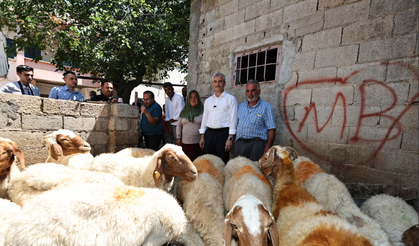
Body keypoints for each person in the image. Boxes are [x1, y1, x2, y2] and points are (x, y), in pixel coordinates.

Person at [199, 72, 238, 164]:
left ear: (224, 83)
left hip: (223, 135)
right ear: (212, 84)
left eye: (220, 81)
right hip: (209, 134)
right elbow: (205, 118)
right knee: (209, 161)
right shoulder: (208, 101)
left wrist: (230, 138)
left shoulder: (231, 99)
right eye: (215, 81)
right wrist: (202, 136)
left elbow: (234, 119)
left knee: (222, 161)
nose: (218, 84)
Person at [234, 80, 276, 161]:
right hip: (240, 145)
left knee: (255, 170)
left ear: (259, 91)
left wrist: (268, 146)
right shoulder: (240, 107)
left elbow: (271, 129)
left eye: (253, 90)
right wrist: (233, 143)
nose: (250, 94)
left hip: (256, 146)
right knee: (237, 170)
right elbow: (235, 126)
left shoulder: (266, 107)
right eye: (247, 91)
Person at [176, 90, 205, 162]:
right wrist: (178, 137)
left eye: (195, 97)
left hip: (198, 144)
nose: (193, 99)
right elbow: (179, 125)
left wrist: (203, 138)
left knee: (198, 164)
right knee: (186, 164)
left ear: (198, 98)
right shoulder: (184, 112)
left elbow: (205, 126)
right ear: (189, 99)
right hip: (185, 144)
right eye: (191, 97)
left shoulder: (203, 111)